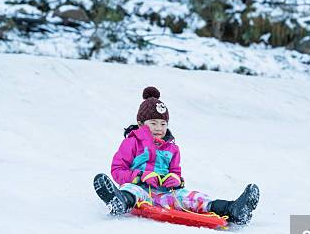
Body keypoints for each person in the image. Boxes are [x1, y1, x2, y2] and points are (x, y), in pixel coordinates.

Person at [93, 86, 259, 225]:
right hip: (141, 192)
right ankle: (119, 202)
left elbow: (176, 173)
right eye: (153, 123)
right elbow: (118, 170)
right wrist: (140, 177)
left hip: (167, 194)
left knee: (195, 198)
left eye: (163, 124)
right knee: (131, 190)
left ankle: (234, 210)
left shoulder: (172, 149)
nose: (159, 128)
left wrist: (176, 180)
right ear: (141, 124)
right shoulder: (132, 142)